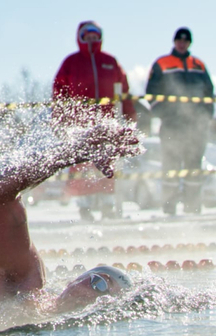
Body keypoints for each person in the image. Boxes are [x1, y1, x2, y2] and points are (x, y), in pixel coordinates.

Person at [0, 124, 141, 312]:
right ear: (74, 280)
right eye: (99, 284)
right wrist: (75, 152)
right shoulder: (25, 287)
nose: (96, 300)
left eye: (107, 300)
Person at [52, 21, 137, 221]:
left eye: (94, 35)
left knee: (107, 162)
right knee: (82, 164)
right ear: (80, 38)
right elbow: (59, 93)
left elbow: (123, 90)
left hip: (107, 122)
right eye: (87, 36)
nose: (91, 39)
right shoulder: (71, 63)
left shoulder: (109, 61)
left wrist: (129, 113)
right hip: (80, 124)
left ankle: (108, 205)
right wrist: (60, 119)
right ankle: (85, 206)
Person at [146, 27, 214, 216]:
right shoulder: (162, 63)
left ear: (189, 43)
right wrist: (165, 113)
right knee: (171, 167)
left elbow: (209, 92)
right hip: (172, 125)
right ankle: (169, 208)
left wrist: (206, 115)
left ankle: (193, 209)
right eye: (179, 40)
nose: (182, 43)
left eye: (186, 41)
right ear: (174, 42)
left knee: (194, 167)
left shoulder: (198, 64)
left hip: (196, 127)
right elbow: (152, 93)